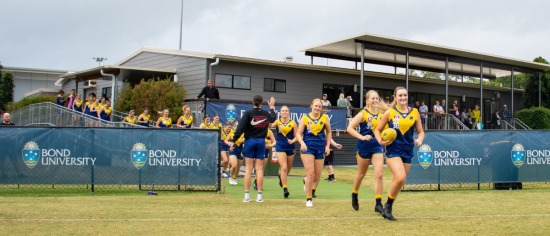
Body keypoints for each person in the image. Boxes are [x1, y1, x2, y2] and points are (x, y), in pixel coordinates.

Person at [373, 86, 424, 221]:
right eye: (400, 95)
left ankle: (387, 207)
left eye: (405, 95)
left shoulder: (415, 112)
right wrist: (380, 141)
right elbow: (377, 130)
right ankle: (388, 206)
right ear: (395, 98)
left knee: (400, 181)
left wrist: (419, 140)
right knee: (400, 177)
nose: (403, 98)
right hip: (393, 150)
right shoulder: (389, 113)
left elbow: (420, 131)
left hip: (408, 151)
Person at [348, 90, 391, 213]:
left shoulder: (383, 113)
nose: (375, 100)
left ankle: (378, 203)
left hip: (377, 146)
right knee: (361, 174)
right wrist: (362, 137)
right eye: (373, 98)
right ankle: (354, 194)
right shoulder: (363, 114)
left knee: (379, 174)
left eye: (377, 98)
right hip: (363, 147)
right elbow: (349, 128)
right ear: (367, 101)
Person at [228, 95, 276, 203]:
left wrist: (233, 140)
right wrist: (272, 107)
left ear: (252, 102)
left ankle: (247, 195)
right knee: (259, 169)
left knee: (249, 169)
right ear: (262, 103)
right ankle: (259, 195)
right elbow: (273, 118)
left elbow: (239, 128)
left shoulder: (248, 113)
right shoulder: (265, 113)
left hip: (249, 141)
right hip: (260, 142)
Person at [296, 98, 332, 207]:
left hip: (320, 148)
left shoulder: (325, 118)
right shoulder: (305, 118)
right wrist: (302, 143)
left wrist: (328, 146)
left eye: (319, 106)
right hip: (308, 148)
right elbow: (298, 134)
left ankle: (306, 180)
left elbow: (329, 132)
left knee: (316, 177)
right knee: (310, 172)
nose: (317, 108)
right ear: (311, 106)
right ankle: (309, 199)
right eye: (315, 106)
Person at [271, 105, 297, 198]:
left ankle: (280, 176)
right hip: (280, 147)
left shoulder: (293, 123)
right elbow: (270, 125)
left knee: (288, 170)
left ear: (289, 112)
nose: (285, 112)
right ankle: (285, 189)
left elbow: (296, 136)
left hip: (290, 147)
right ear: (280, 112)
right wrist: (272, 112)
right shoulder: (278, 122)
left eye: (286, 111)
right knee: (284, 168)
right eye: (283, 111)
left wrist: (292, 141)